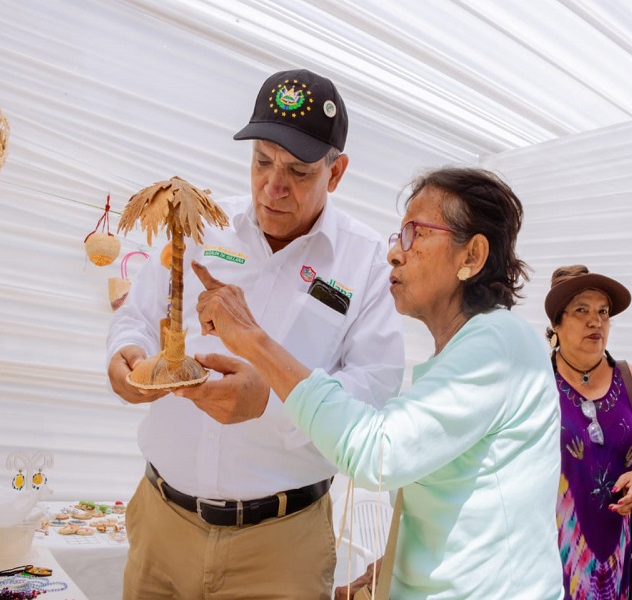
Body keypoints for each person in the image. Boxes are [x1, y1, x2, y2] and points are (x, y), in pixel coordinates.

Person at [192, 166, 565, 599]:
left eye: (415, 233)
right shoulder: (464, 352)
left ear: (472, 257)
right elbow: (461, 501)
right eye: (397, 235)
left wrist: (254, 341)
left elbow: (377, 454)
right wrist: (394, 568)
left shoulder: (499, 346)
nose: (394, 253)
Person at [107, 68, 406, 600]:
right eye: (262, 161)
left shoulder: (366, 267)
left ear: (335, 174)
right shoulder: (203, 224)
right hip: (161, 524)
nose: (273, 186)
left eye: (298, 171)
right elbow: (136, 314)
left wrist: (269, 400)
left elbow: (372, 397)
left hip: (279, 549)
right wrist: (125, 354)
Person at [544, 265, 632, 599]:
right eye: (581, 310)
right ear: (556, 323)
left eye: (603, 312)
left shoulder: (628, 378)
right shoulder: (538, 384)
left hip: (618, 563)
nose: (595, 321)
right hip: (553, 564)